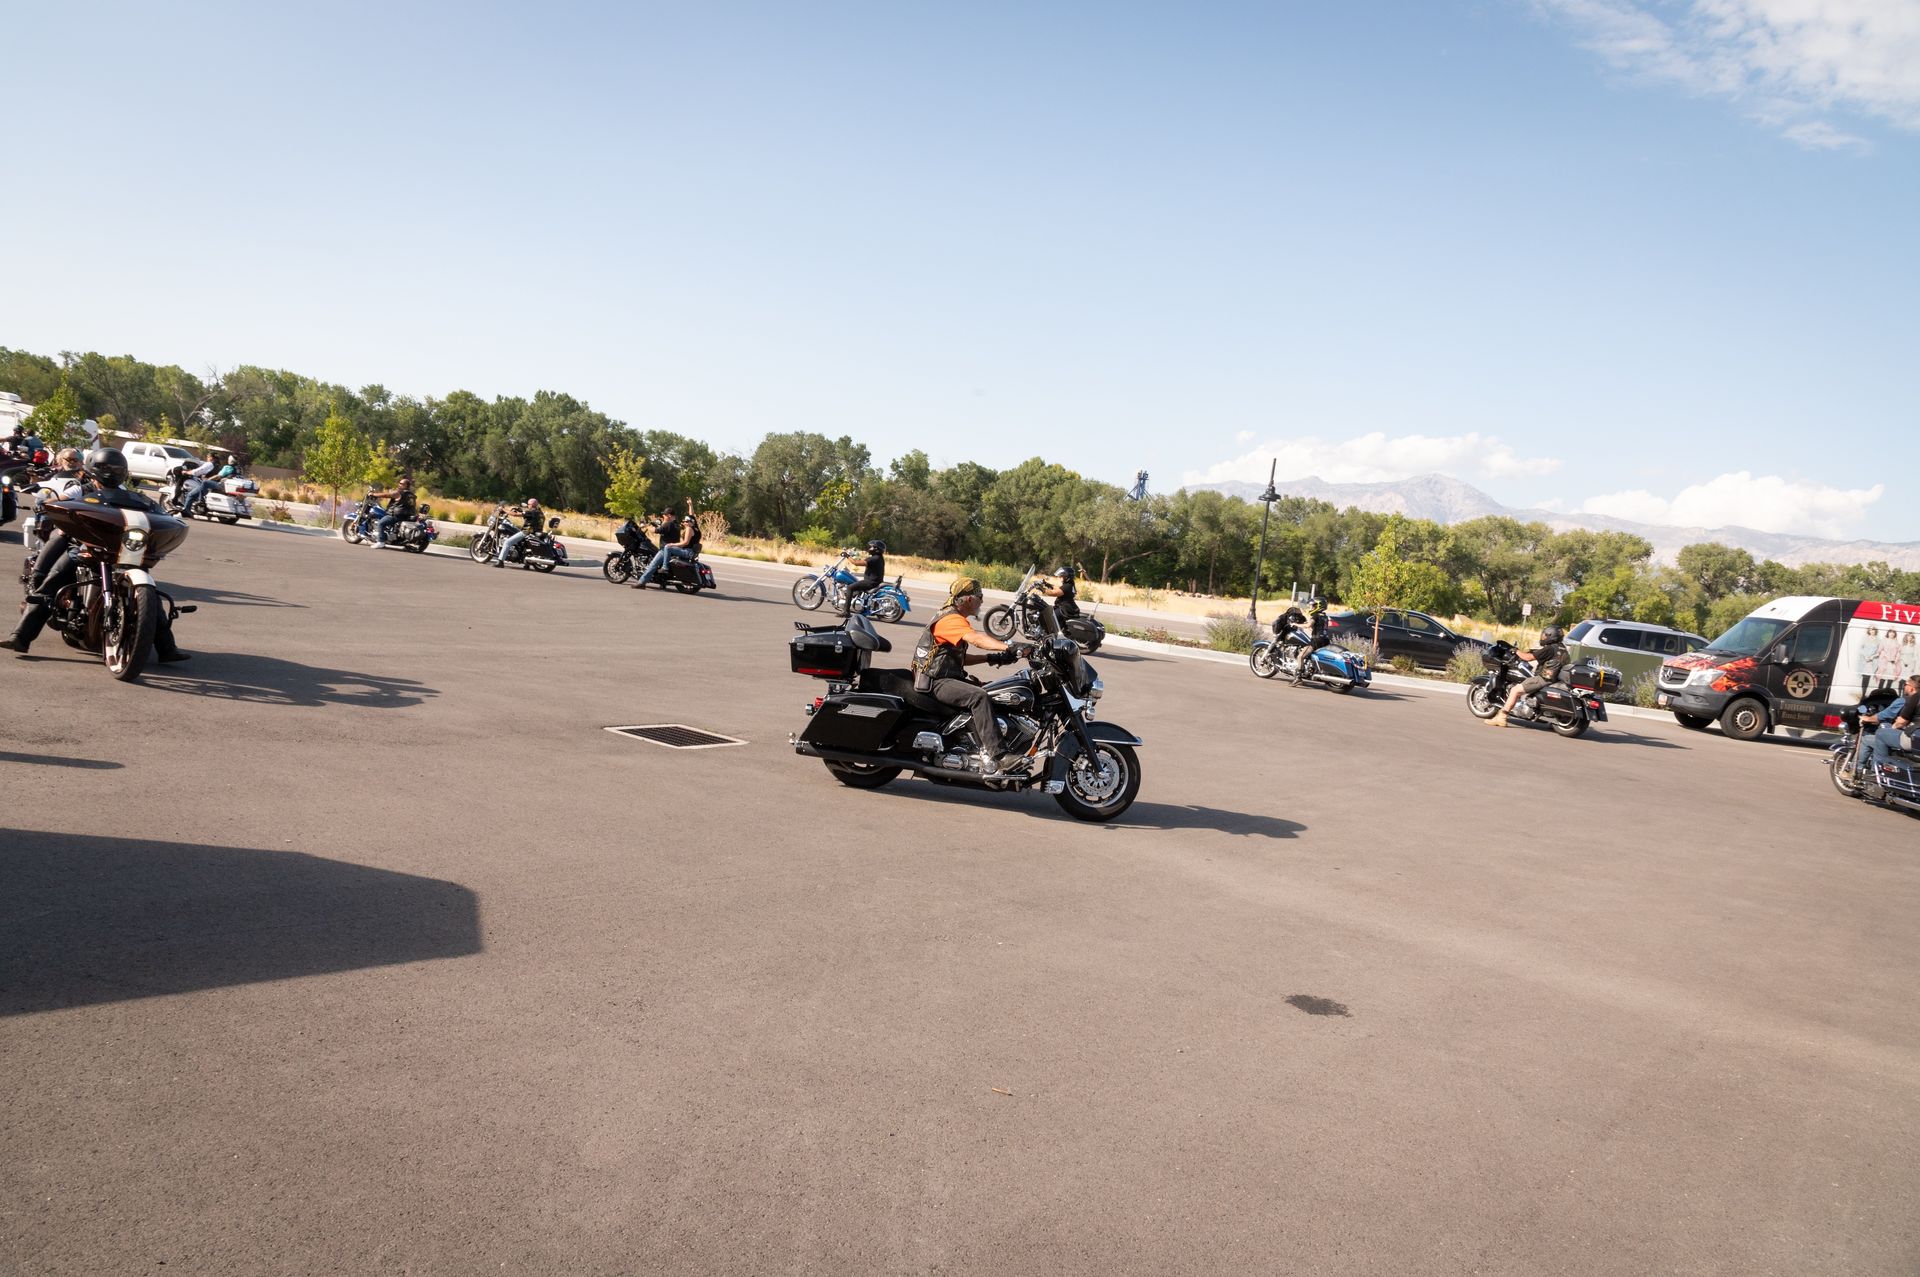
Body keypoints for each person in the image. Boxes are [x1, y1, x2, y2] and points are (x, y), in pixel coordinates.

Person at [4, 447, 187, 662]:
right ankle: (20, 636)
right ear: (93, 469)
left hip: (120, 552)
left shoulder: (129, 495)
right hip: (83, 548)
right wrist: (56, 507)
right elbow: (60, 501)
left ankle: (167, 648)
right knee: (53, 582)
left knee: (152, 596)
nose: (111, 472)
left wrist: (167, 517)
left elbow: (153, 511)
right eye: (105, 467)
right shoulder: (80, 489)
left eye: (116, 468)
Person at [911, 576, 1030, 774]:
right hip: (935, 681)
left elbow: (958, 658)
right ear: (967, 599)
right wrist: (1011, 646)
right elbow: (975, 638)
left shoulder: (955, 618)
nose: (982, 601)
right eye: (979, 596)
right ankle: (999, 756)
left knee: (992, 691)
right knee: (978, 696)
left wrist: (993, 658)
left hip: (944, 677)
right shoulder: (950, 620)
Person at [1490, 624, 1569, 727]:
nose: (1543, 637)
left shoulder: (1550, 648)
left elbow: (1527, 658)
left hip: (1544, 678)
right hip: (1556, 679)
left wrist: (1514, 650)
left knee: (1515, 690)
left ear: (1551, 635)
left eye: (1545, 635)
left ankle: (1502, 717)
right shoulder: (1563, 649)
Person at [1862, 675, 1920, 779]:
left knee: (1881, 734)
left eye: (1905, 684)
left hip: (1914, 739)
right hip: (1915, 738)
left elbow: (1901, 722)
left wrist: (1892, 728)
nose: (1904, 687)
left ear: (1911, 687)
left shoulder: (1914, 698)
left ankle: (1877, 773)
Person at [630, 504, 700, 589]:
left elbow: (657, 530)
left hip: (666, 549)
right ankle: (662, 583)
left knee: (653, 565)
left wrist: (646, 526)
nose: (663, 517)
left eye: (664, 515)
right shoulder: (676, 525)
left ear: (669, 516)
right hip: (676, 549)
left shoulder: (669, 524)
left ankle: (641, 582)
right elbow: (691, 516)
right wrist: (690, 505)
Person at [493, 497, 543, 567]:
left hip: (527, 532)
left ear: (531, 505)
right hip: (536, 532)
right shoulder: (540, 513)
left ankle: (500, 562)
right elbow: (529, 517)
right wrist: (521, 511)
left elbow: (514, 514)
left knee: (507, 542)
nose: (528, 506)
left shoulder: (531, 512)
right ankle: (527, 563)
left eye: (528, 504)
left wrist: (503, 509)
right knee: (521, 544)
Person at [1291, 598, 1330, 686]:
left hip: (1316, 641)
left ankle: (1298, 678)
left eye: (1312, 605)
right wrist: (1307, 625)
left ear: (1317, 606)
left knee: (1300, 656)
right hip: (1325, 640)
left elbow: (1309, 625)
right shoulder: (1325, 616)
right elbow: (1316, 627)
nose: (1311, 607)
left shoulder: (1315, 615)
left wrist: (1296, 624)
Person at [369, 475, 417, 547]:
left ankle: (381, 542)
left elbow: (386, 495)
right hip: (407, 516)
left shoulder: (399, 493)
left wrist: (373, 494)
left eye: (401, 484)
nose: (399, 484)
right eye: (399, 483)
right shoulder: (412, 495)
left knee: (381, 523)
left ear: (406, 485)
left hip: (396, 515)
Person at [842, 539, 886, 613]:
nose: (869, 548)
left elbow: (855, 563)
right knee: (856, 586)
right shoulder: (879, 558)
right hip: (875, 581)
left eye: (871, 547)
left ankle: (845, 612)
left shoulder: (874, 558)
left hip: (871, 582)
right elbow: (862, 561)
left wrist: (847, 556)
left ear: (876, 549)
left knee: (850, 588)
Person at [177, 451, 222, 515]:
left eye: (208, 457)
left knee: (190, 495)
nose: (207, 458)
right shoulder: (219, 465)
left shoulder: (210, 464)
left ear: (211, 458)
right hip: (214, 485)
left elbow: (197, 472)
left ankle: (186, 511)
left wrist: (186, 472)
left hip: (207, 486)